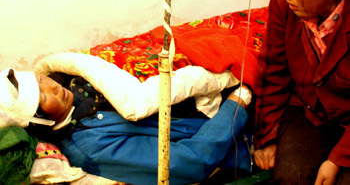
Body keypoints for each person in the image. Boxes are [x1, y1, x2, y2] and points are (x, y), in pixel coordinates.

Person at [0, 59, 253, 185]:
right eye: (43, 97)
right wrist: (235, 107)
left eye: (41, 80)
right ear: (38, 121)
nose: (53, 88)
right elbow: (187, 162)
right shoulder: (92, 148)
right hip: (234, 135)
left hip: (202, 100)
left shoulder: (71, 84)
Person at [253, 0, 350, 185]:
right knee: (291, 177)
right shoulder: (282, 2)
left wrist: (339, 158)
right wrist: (269, 137)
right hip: (309, 111)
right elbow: (273, 69)